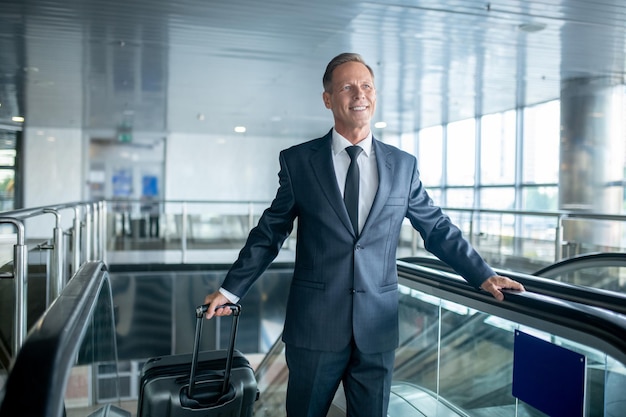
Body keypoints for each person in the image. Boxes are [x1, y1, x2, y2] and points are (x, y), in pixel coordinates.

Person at [203, 52, 525, 417]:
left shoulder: (402, 166)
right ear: (328, 99)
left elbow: (435, 227)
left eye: (367, 86)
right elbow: (269, 232)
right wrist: (231, 289)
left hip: (377, 330)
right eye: (347, 87)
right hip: (315, 328)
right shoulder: (299, 162)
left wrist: (481, 274)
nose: (360, 94)